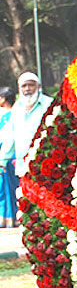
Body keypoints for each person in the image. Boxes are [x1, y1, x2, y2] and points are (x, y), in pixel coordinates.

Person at [0, 72, 53, 177]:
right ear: (19, 88)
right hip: (22, 166)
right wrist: (2, 160)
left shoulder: (49, 104)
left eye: (31, 85)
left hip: (46, 164)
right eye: (24, 86)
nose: (27, 88)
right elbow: (11, 136)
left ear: (38, 86)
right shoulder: (17, 107)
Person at [0, 87, 19, 227]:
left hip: (7, 155)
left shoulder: (7, 116)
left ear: (3, 99)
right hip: (12, 154)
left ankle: (8, 218)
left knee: (6, 187)